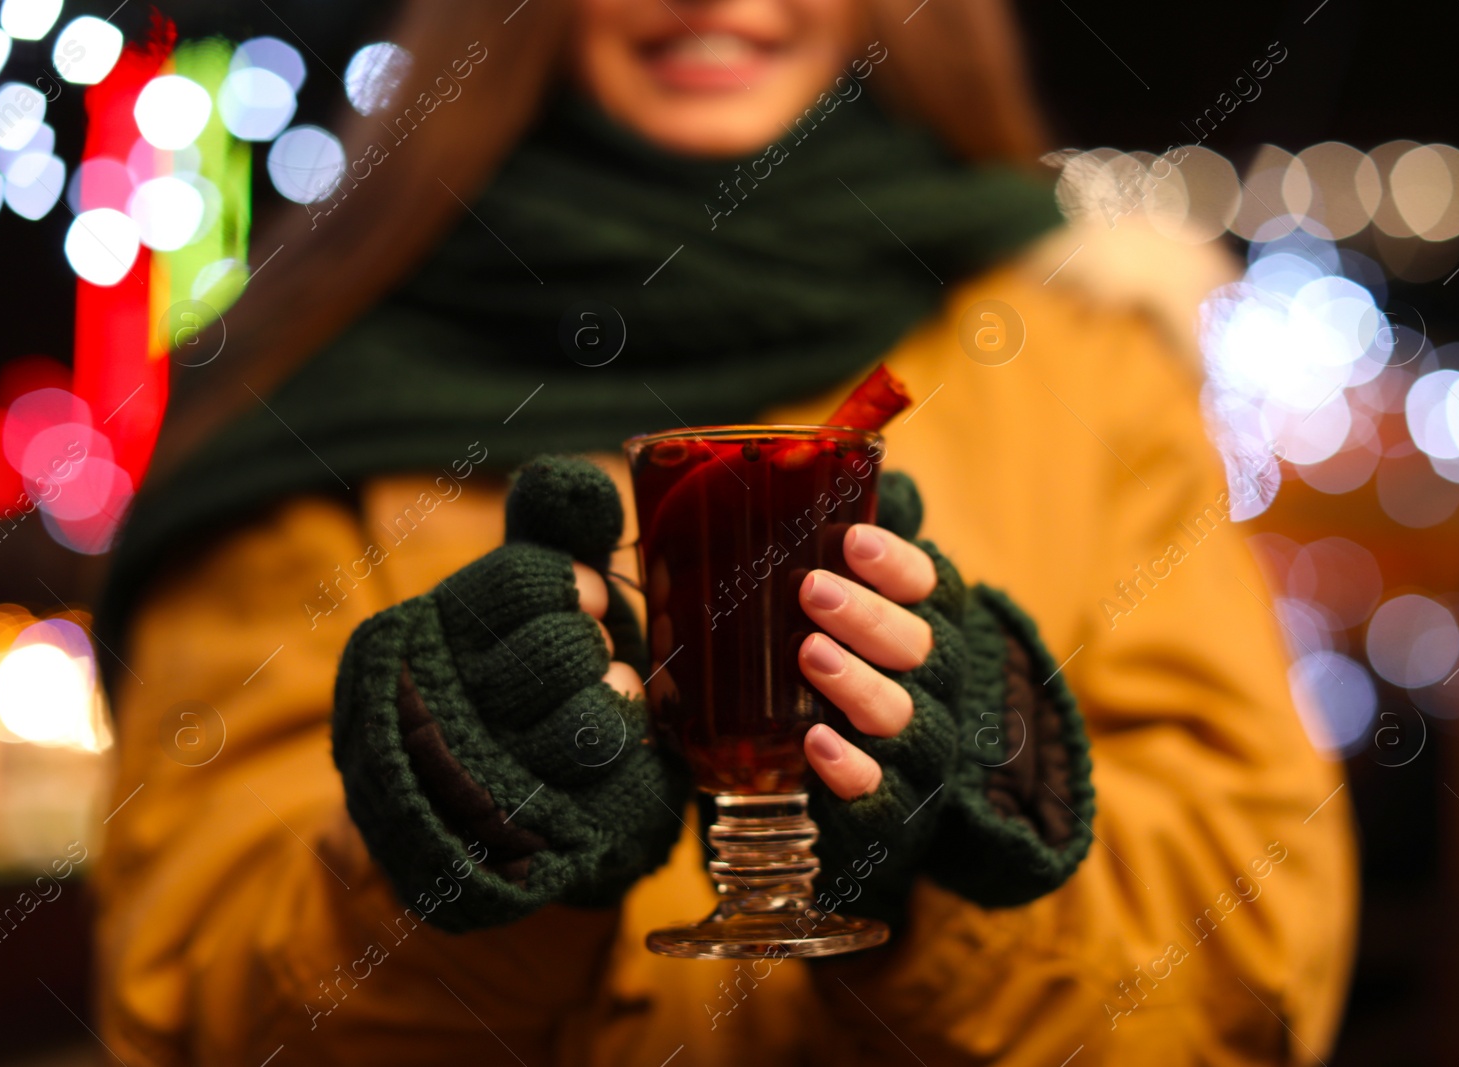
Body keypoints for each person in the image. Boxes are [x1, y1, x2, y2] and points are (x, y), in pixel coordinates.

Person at [93, 0, 1356, 1063]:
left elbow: (1255, 958)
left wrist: (969, 869)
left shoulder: (1072, 360)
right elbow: (187, 994)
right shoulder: (315, 387)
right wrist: (458, 868)